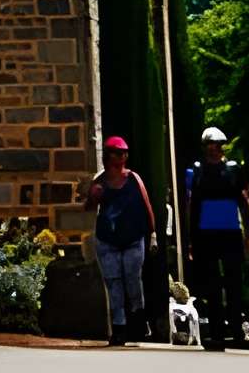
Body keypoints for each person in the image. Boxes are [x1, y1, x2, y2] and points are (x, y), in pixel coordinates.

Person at [187, 126, 249, 349]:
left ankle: (236, 328)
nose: (214, 150)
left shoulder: (234, 170)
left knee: (234, 281)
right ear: (205, 147)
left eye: (218, 146)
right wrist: (190, 238)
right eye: (210, 146)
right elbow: (191, 206)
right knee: (212, 284)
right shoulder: (196, 172)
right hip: (205, 233)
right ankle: (217, 331)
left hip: (230, 231)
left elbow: (244, 202)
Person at [89, 136, 161, 345]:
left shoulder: (133, 179)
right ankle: (119, 327)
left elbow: (147, 206)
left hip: (132, 238)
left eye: (125, 153)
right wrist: (93, 196)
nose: (123, 157)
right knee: (114, 283)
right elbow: (89, 207)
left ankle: (138, 321)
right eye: (118, 153)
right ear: (108, 155)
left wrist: (152, 234)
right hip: (108, 240)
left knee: (132, 280)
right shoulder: (99, 181)